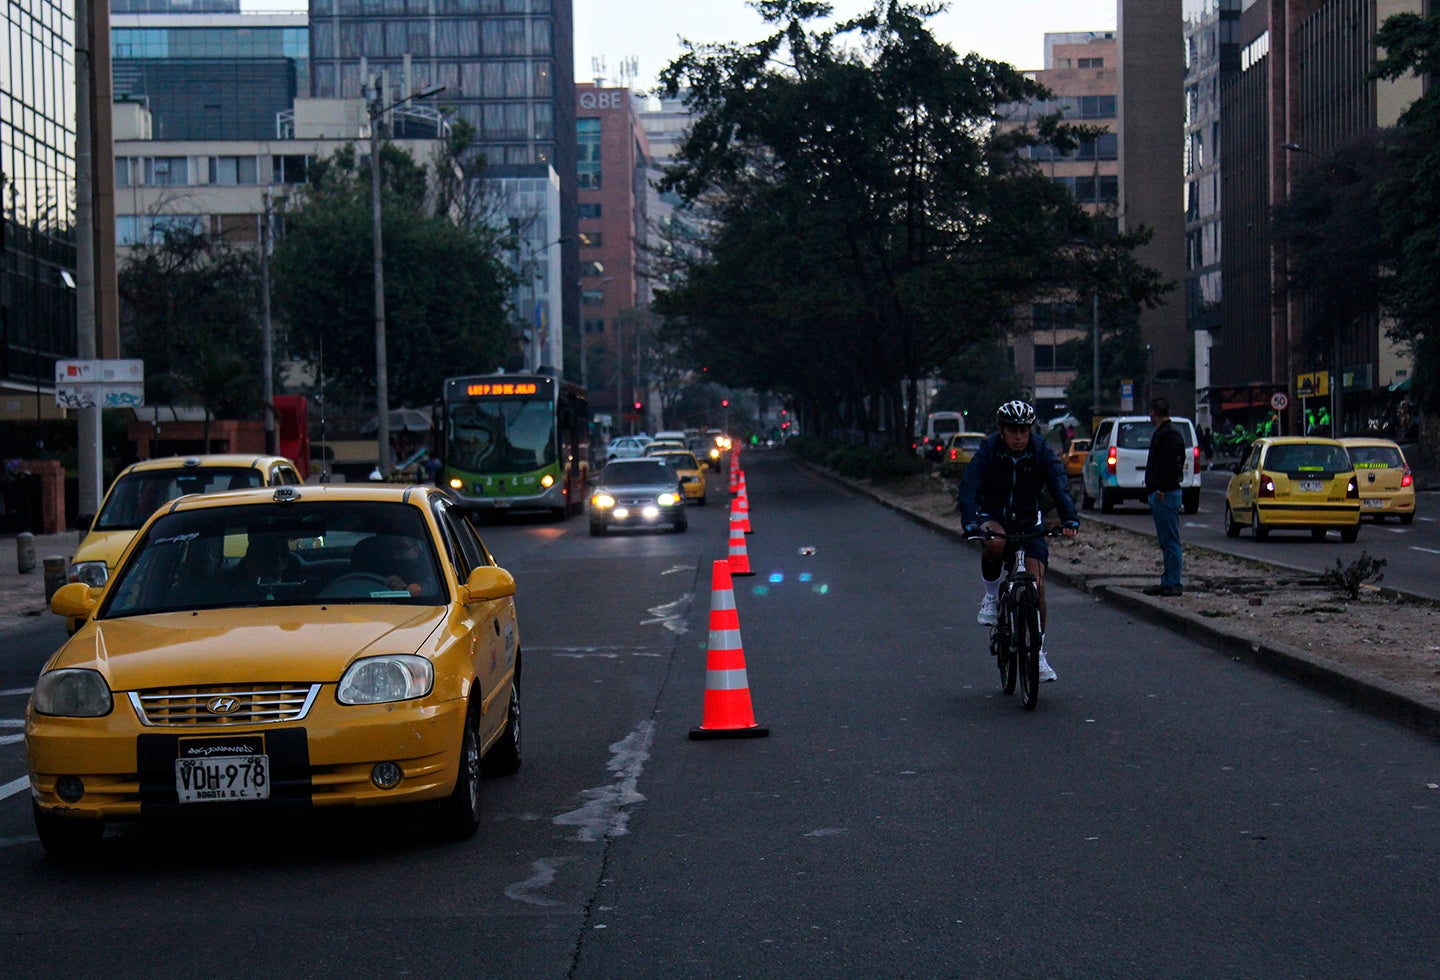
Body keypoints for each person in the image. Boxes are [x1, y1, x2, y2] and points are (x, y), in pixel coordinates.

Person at [957, 400, 1079, 682]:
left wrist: (1070, 518)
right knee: (995, 544)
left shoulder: (1039, 449)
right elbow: (970, 484)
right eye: (1013, 431)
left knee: (1037, 587)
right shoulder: (989, 449)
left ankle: (1037, 653)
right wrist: (969, 522)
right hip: (995, 514)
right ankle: (990, 596)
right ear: (1001, 431)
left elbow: (1058, 482)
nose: (1019, 437)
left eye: (1024, 430)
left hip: (1028, 519)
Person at [1143, 396, 1187, 597]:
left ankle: (1173, 582)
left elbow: (1169, 465)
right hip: (1165, 492)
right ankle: (1168, 580)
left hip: (1164, 493)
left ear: (1155, 412)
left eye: (1151, 413)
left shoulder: (1166, 436)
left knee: (1170, 540)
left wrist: (1159, 487)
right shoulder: (1170, 434)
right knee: (1167, 540)